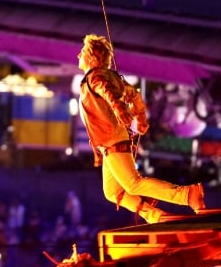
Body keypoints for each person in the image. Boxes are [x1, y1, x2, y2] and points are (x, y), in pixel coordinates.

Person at [77, 34, 205, 223]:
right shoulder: (110, 76)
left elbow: (108, 92)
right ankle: (155, 215)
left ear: (92, 56)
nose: (78, 55)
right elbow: (133, 96)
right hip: (110, 142)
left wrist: (121, 110)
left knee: (133, 183)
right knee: (113, 192)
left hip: (112, 140)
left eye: (82, 52)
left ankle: (187, 195)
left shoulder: (95, 77)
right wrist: (140, 118)